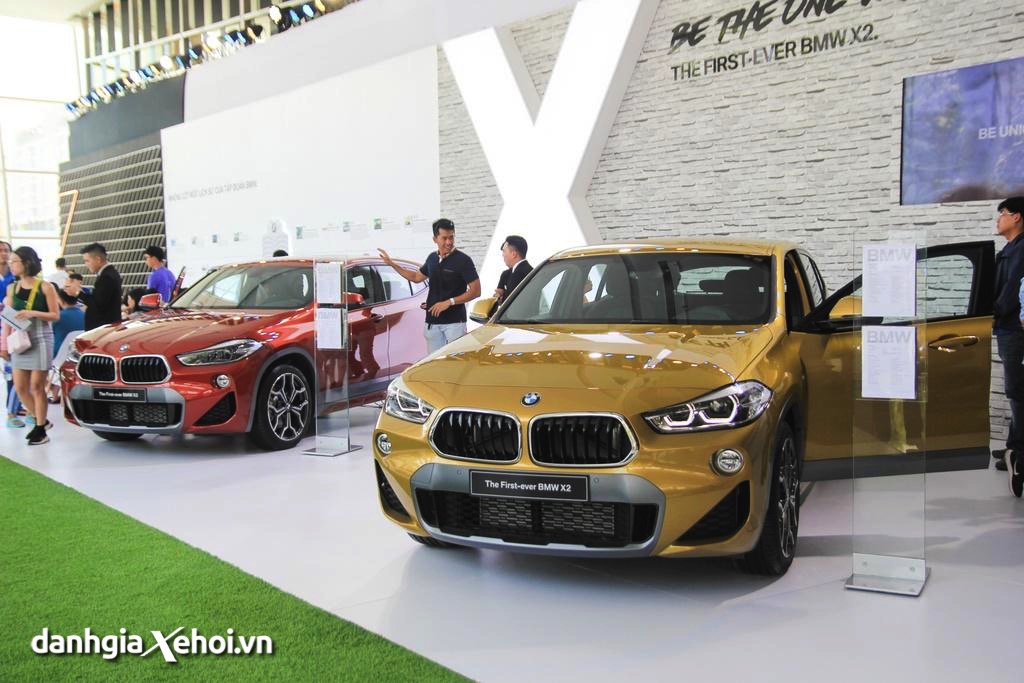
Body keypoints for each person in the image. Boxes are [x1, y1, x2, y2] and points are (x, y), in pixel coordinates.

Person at [378, 218, 480, 354]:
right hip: (432, 323)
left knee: (455, 364)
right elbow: (416, 277)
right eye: (444, 238)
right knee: (433, 364)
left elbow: (476, 291)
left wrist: (449, 302)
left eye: (451, 237)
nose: (449, 242)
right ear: (435, 239)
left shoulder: (463, 260)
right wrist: (392, 264)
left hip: (455, 324)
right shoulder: (432, 258)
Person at [5, 246, 60, 446]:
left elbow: (55, 315)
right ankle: (41, 420)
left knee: (37, 385)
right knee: (20, 388)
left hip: (41, 337)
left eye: (14, 261)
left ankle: (40, 428)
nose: (11, 265)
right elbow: (8, 317)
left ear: (26, 263)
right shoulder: (12, 288)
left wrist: (33, 313)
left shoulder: (45, 287)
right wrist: (4, 341)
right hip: (20, 339)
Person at [994, 196, 1024, 495]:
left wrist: (996, 311)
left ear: (1017, 217)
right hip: (1009, 327)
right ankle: (1013, 446)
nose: (998, 219)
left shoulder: (1021, 249)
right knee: (1017, 389)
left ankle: (1018, 453)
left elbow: (1013, 287)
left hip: (1014, 328)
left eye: (1002, 213)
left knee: (1017, 390)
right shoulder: (1009, 249)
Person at [64, 243, 122, 331]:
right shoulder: (110, 273)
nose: (86, 264)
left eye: (87, 261)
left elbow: (97, 305)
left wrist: (77, 293)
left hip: (102, 329)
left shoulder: (106, 277)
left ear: (98, 259)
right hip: (106, 327)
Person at [0, 240, 24, 427]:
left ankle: (14, 407)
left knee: (14, 371)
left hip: (13, 329)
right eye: (0, 250)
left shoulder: (16, 277)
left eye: (6, 250)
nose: (4, 253)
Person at [493, 235, 533, 310]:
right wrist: (498, 296)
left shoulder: (525, 273)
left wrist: (502, 297)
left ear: (514, 254)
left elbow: (516, 301)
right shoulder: (506, 274)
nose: (503, 255)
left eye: (504, 251)